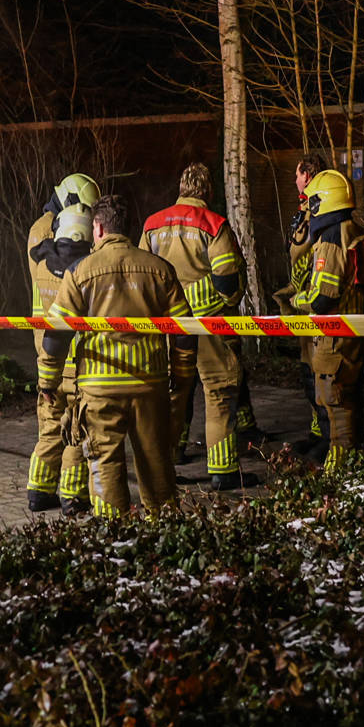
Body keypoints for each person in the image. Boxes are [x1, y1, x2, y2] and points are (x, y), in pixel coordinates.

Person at [41, 194, 196, 517]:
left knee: (105, 464)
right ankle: (165, 533)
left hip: (99, 391)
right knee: (157, 465)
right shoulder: (160, 270)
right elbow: (184, 332)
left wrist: (48, 382)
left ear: (97, 228)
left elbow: (57, 334)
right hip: (149, 386)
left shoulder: (80, 271)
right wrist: (181, 379)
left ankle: (115, 538)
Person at [141, 162, 246, 490]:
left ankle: (171, 459)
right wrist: (228, 307)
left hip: (169, 326)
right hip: (208, 325)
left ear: (182, 187)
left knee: (174, 393)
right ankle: (222, 470)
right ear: (207, 190)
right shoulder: (213, 223)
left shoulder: (152, 224)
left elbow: (144, 274)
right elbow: (227, 280)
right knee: (219, 392)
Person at [286, 169, 364, 472]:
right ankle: (355, 461)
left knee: (335, 402)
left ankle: (340, 470)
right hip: (354, 333)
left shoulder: (330, 239)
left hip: (333, 338)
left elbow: (322, 298)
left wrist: (296, 300)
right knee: (351, 399)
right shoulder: (353, 230)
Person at [25, 173, 99, 511]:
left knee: (52, 422)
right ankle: (71, 494)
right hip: (70, 352)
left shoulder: (45, 242)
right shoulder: (49, 232)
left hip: (49, 350)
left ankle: (39, 489)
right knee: (73, 427)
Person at [274, 155, 328, 456]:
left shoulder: (322, 209)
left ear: (307, 174)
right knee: (309, 368)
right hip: (303, 302)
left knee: (322, 370)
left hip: (317, 302)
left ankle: (329, 436)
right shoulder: (306, 210)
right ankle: (318, 431)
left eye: (297, 174)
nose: (295, 180)